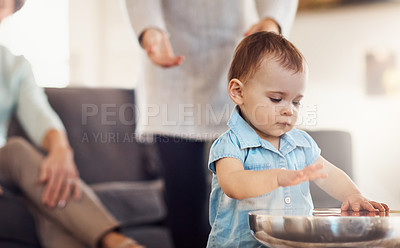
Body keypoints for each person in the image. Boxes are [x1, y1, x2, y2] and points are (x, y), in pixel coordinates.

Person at [123, 1, 299, 247]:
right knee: (184, 194)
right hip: (170, 62)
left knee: (252, 191)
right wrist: (149, 29)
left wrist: (273, 20)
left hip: (234, 52)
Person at [206, 31, 390, 247]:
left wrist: (354, 195)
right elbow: (233, 184)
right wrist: (276, 177)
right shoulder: (231, 143)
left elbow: (327, 173)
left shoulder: (300, 143)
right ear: (238, 92)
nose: (289, 111)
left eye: (296, 102)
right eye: (276, 99)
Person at [0, 1, 143, 248]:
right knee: (18, 153)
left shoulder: (14, 65)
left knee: (45, 184)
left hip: (5, 168)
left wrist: (60, 151)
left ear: (9, 14)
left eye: (2, 5)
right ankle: (116, 241)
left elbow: (39, 114)